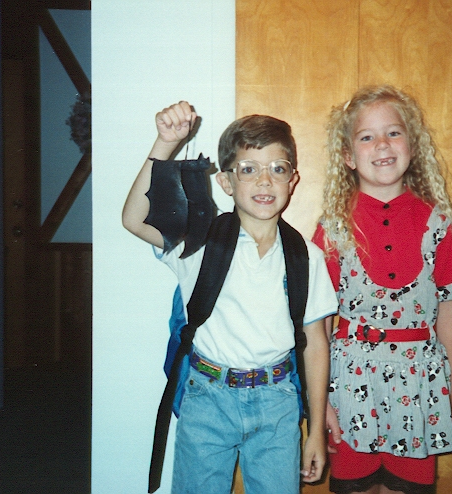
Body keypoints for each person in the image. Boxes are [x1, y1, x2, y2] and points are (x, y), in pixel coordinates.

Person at [122, 101, 338, 494]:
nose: (264, 181)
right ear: (225, 182)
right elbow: (134, 219)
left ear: (293, 180)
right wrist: (165, 143)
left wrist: (316, 432)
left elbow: (316, 344)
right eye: (248, 169)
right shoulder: (198, 241)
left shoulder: (307, 257)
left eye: (278, 169)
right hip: (207, 398)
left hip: (278, 402)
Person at [311, 85, 452, 494]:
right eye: (367, 136)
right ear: (348, 157)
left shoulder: (436, 224)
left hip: (420, 388)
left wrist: (451, 393)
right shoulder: (333, 229)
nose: (382, 145)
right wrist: (320, 408)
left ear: (412, 145)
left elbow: (450, 314)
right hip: (349, 388)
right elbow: (317, 324)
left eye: (393, 132)